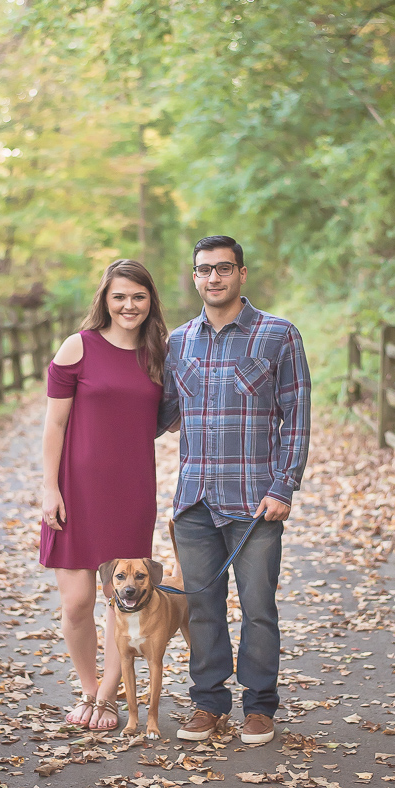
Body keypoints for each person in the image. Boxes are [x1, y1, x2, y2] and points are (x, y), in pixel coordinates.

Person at [159, 235, 310, 745]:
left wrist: (283, 486)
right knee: (202, 607)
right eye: (204, 269)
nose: (214, 278)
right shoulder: (178, 342)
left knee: (258, 607)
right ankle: (207, 705)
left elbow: (297, 419)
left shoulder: (278, 335)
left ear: (242, 274)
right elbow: (156, 415)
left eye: (224, 268)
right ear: (194, 276)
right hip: (196, 499)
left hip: (256, 503)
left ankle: (260, 707)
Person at [40, 260, 167, 731]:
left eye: (138, 296)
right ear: (105, 300)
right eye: (120, 296)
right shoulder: (79, 347)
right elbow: (54, 422)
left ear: (150, 300)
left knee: (123, 601)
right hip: (76, 489)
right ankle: (89, 689)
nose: (129, 305)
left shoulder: (160, 354)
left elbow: (173, 413)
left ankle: (110, 698)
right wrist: (49, 487)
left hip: (131, 492)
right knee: (76, 602)